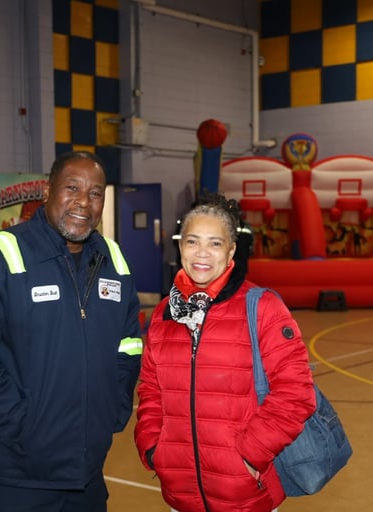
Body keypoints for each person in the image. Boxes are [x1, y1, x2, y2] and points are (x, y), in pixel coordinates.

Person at [0, 151, 143, 512]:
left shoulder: (113, 260)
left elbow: (128, 346)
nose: (83, 201)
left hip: (85, 470)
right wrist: (24, 427)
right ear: (47, 192)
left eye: (95, 193)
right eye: (72, 188)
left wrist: (112, 409)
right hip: (14, 472)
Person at [134, 192, 316, 512]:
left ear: (231, 250)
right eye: (192, 241)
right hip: (181, 493)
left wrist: (250, 456)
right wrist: (153, 447)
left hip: (246, 494)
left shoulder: (262, 308)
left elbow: (296, 394)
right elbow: (151, 390)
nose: (202, 253)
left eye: (215, 243)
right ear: (180, 246)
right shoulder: (164, 314)